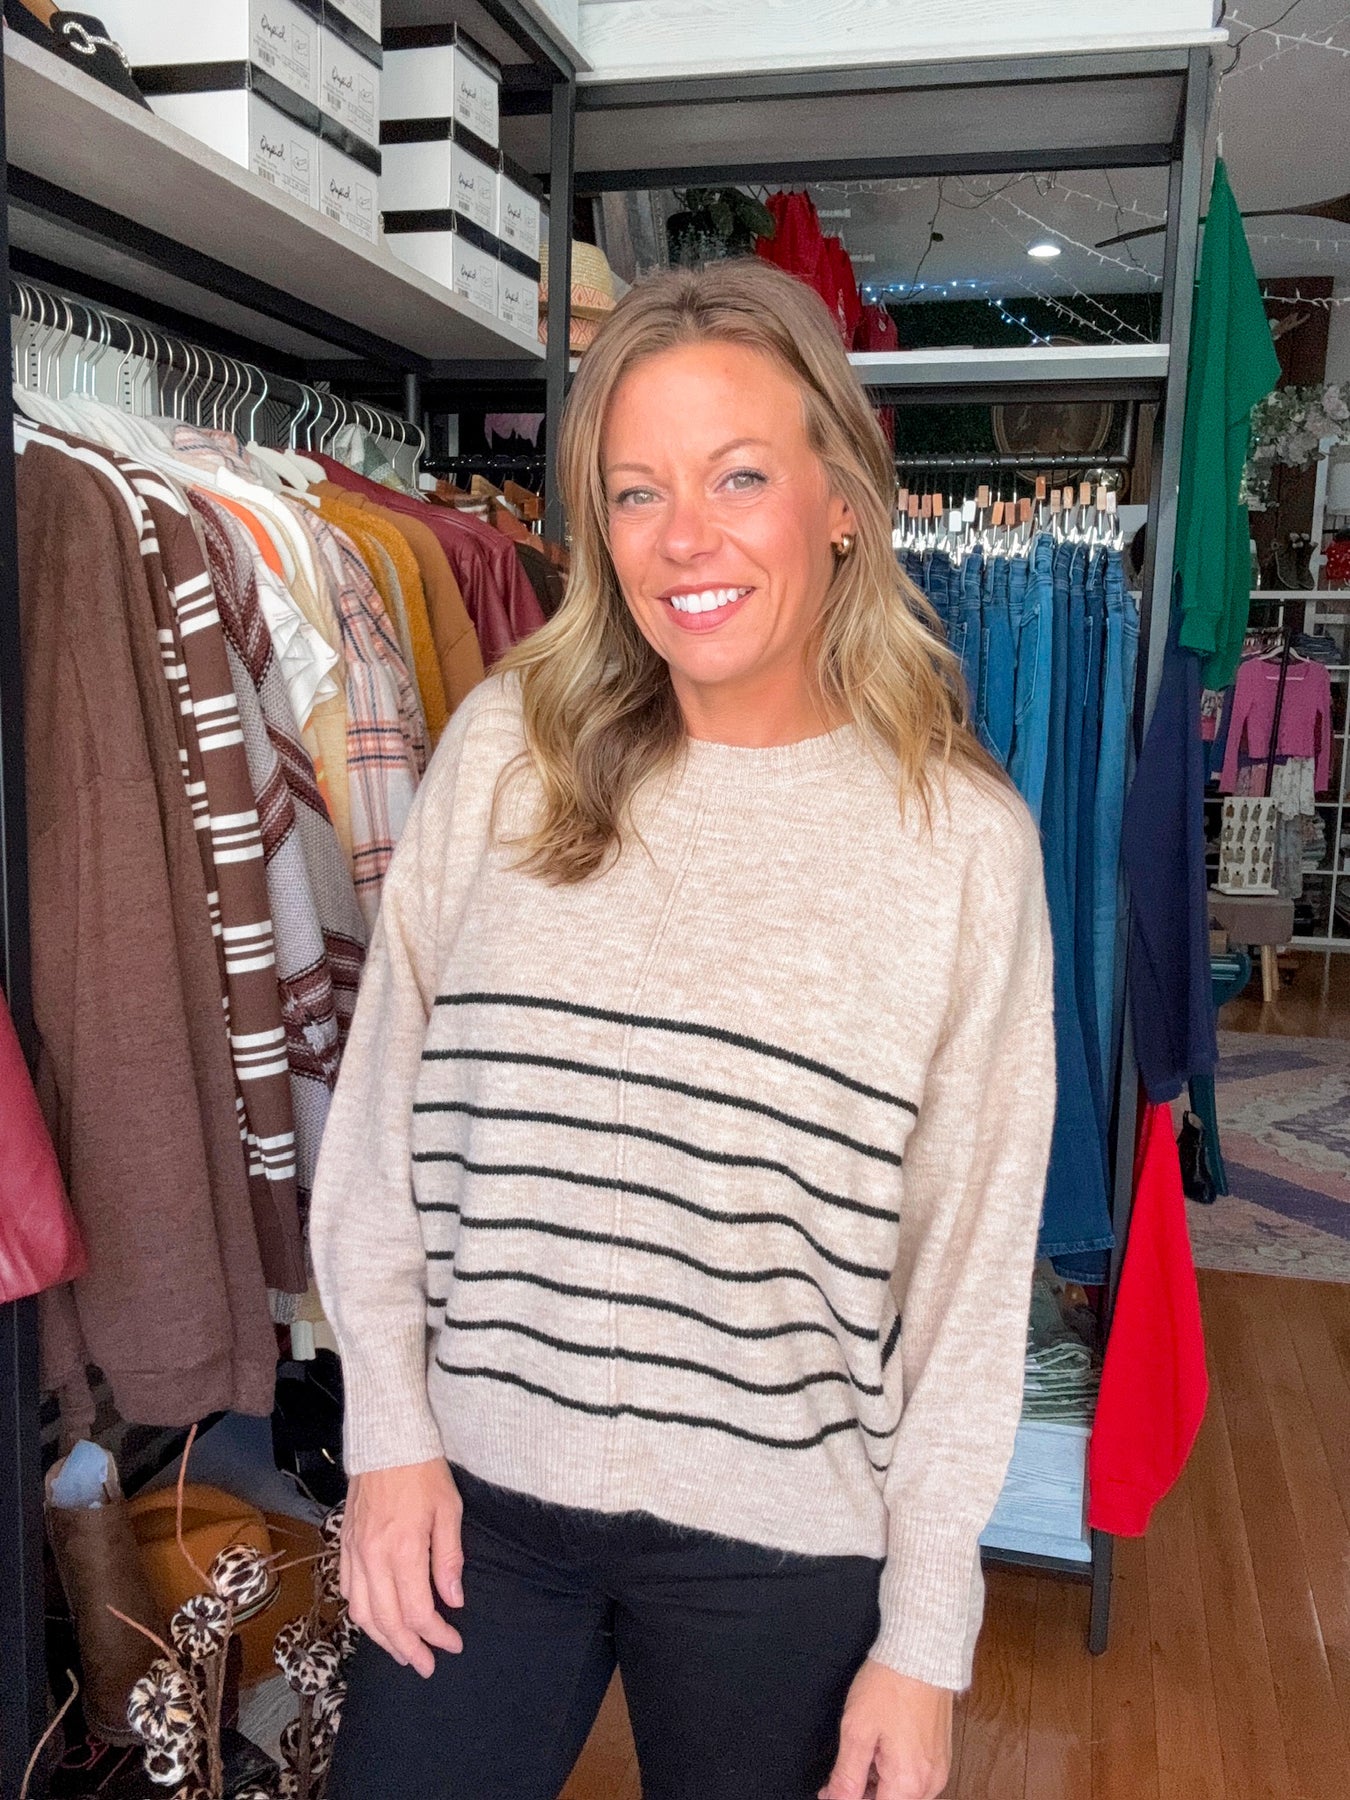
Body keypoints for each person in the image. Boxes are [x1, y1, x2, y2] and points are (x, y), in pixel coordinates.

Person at [313, 258, 1055, 1800]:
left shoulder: (959, 846)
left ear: (839, 499)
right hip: (475, 1500)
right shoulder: (508, 750)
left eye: (738, 477)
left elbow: (969, 1276)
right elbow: (378, 1117)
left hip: (782, 1544)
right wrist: (385, 1431)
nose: (684, 539)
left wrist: (926, 1637)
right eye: (635, 491)